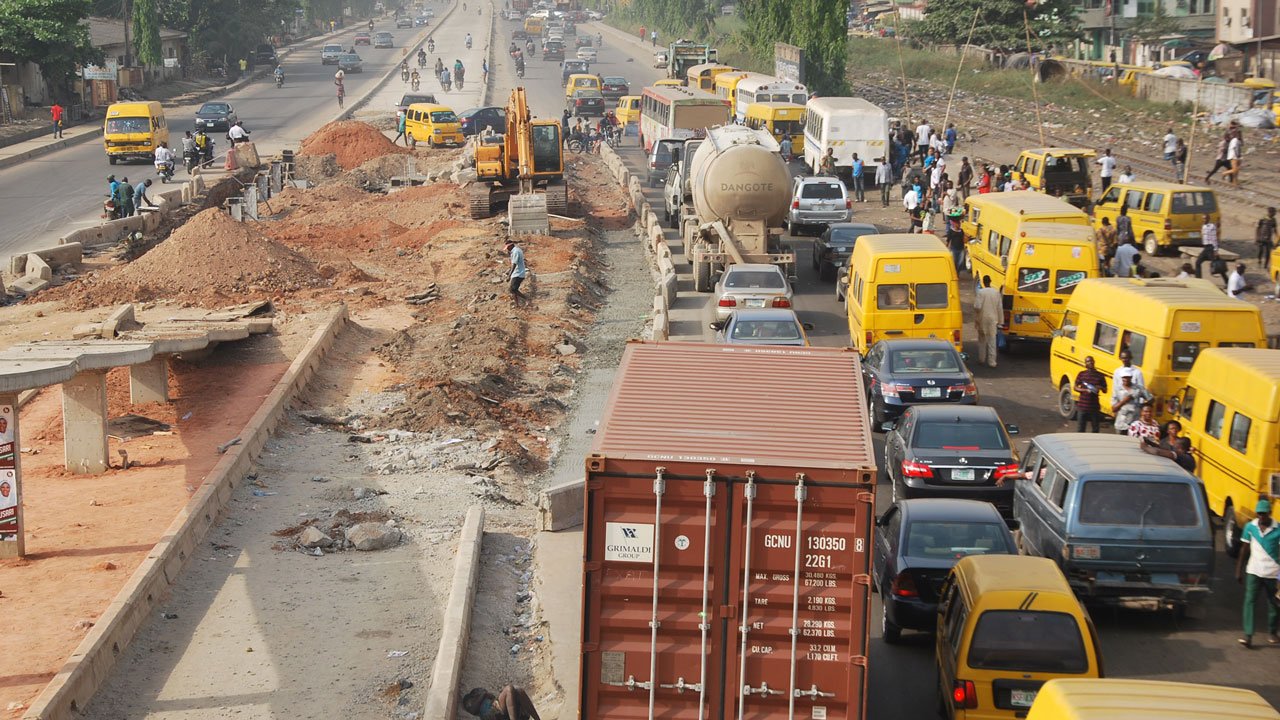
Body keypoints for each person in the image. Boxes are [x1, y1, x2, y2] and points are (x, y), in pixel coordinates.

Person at [1236, 498, 1280, 649]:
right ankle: (1248, 636)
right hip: (1254, 571)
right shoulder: (1250, 527)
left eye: (1264, 514)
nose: (1261, 517)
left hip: (1273, 573)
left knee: (1274, 603)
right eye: (1259, 514)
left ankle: (1272, 632)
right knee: (1250, 601)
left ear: (1270, 513)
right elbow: (1244, 549)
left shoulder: (1278, 529)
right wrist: (1238, 570)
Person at [462, 685, 542, 720]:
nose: (481, 691)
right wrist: (482, 695)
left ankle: (537, 719)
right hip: (492, 714)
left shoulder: (485, 695)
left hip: (498, 708)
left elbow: (493, 697)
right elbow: (473, 710)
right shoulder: (469, 700)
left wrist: (486, 694)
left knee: (519, 690)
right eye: (479, 691)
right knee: (508, 689)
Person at [1073, 356, 1107, 433]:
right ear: (1085, 363)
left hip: (1094, 408)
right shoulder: (1082, 374)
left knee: (1095, 430)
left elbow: (1105, 390)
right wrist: (1085, 390)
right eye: (1088, 361)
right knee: (1080, 429)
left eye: (1091, 361)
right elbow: (1075, 387)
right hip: (1082, 407)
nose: (1090, 362)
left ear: (1094, 362)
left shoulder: (1100, 375)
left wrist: (1100, 387)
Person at [973, 275, 1001, 368]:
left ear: (983, 283)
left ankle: (982, 359)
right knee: (992, 340)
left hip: (982, 319)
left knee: (982, 340)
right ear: (990, 282)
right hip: (993, 319)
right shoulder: (996, 293)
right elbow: (999, 308)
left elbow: (977, 306)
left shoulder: (981, 292)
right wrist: (1000, 321)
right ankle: (992, 362)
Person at [1194, 213, 1220, 278]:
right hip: (1206, 248)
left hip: (1211, 247)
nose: (1204, 220)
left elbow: (1214, 238)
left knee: (1216, 264)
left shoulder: (1212, 226)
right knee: (1198, 262)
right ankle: (1198, 278)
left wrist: (1216, 250)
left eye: (1205, 218)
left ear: (1208, 219)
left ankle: (1226, 280)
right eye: (1203, 218)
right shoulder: (1203, 226)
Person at [505, 240, 528, 305]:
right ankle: (517, 304)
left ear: (511, 245)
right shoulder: (516, 250)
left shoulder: (516, 252)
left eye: (508, 247)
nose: (507, 249)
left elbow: (514, 264)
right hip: (517, 273)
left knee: (512, 290)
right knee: (513, 289)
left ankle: (526, 299)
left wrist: (509, 275)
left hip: (518, 273)